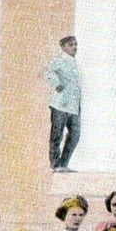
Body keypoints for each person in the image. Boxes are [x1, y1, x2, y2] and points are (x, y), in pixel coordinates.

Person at [44, 35, 81, 172]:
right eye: (71, 45)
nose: (74, 47)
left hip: (73, 106)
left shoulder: (76, 63)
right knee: (57, 135)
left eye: (75, 44)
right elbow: (47, 73)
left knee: (75, 134)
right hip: (60, 104)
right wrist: (56, 84)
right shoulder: (58, 60)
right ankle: (55, 164)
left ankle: (63, 163)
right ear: (64, 47)